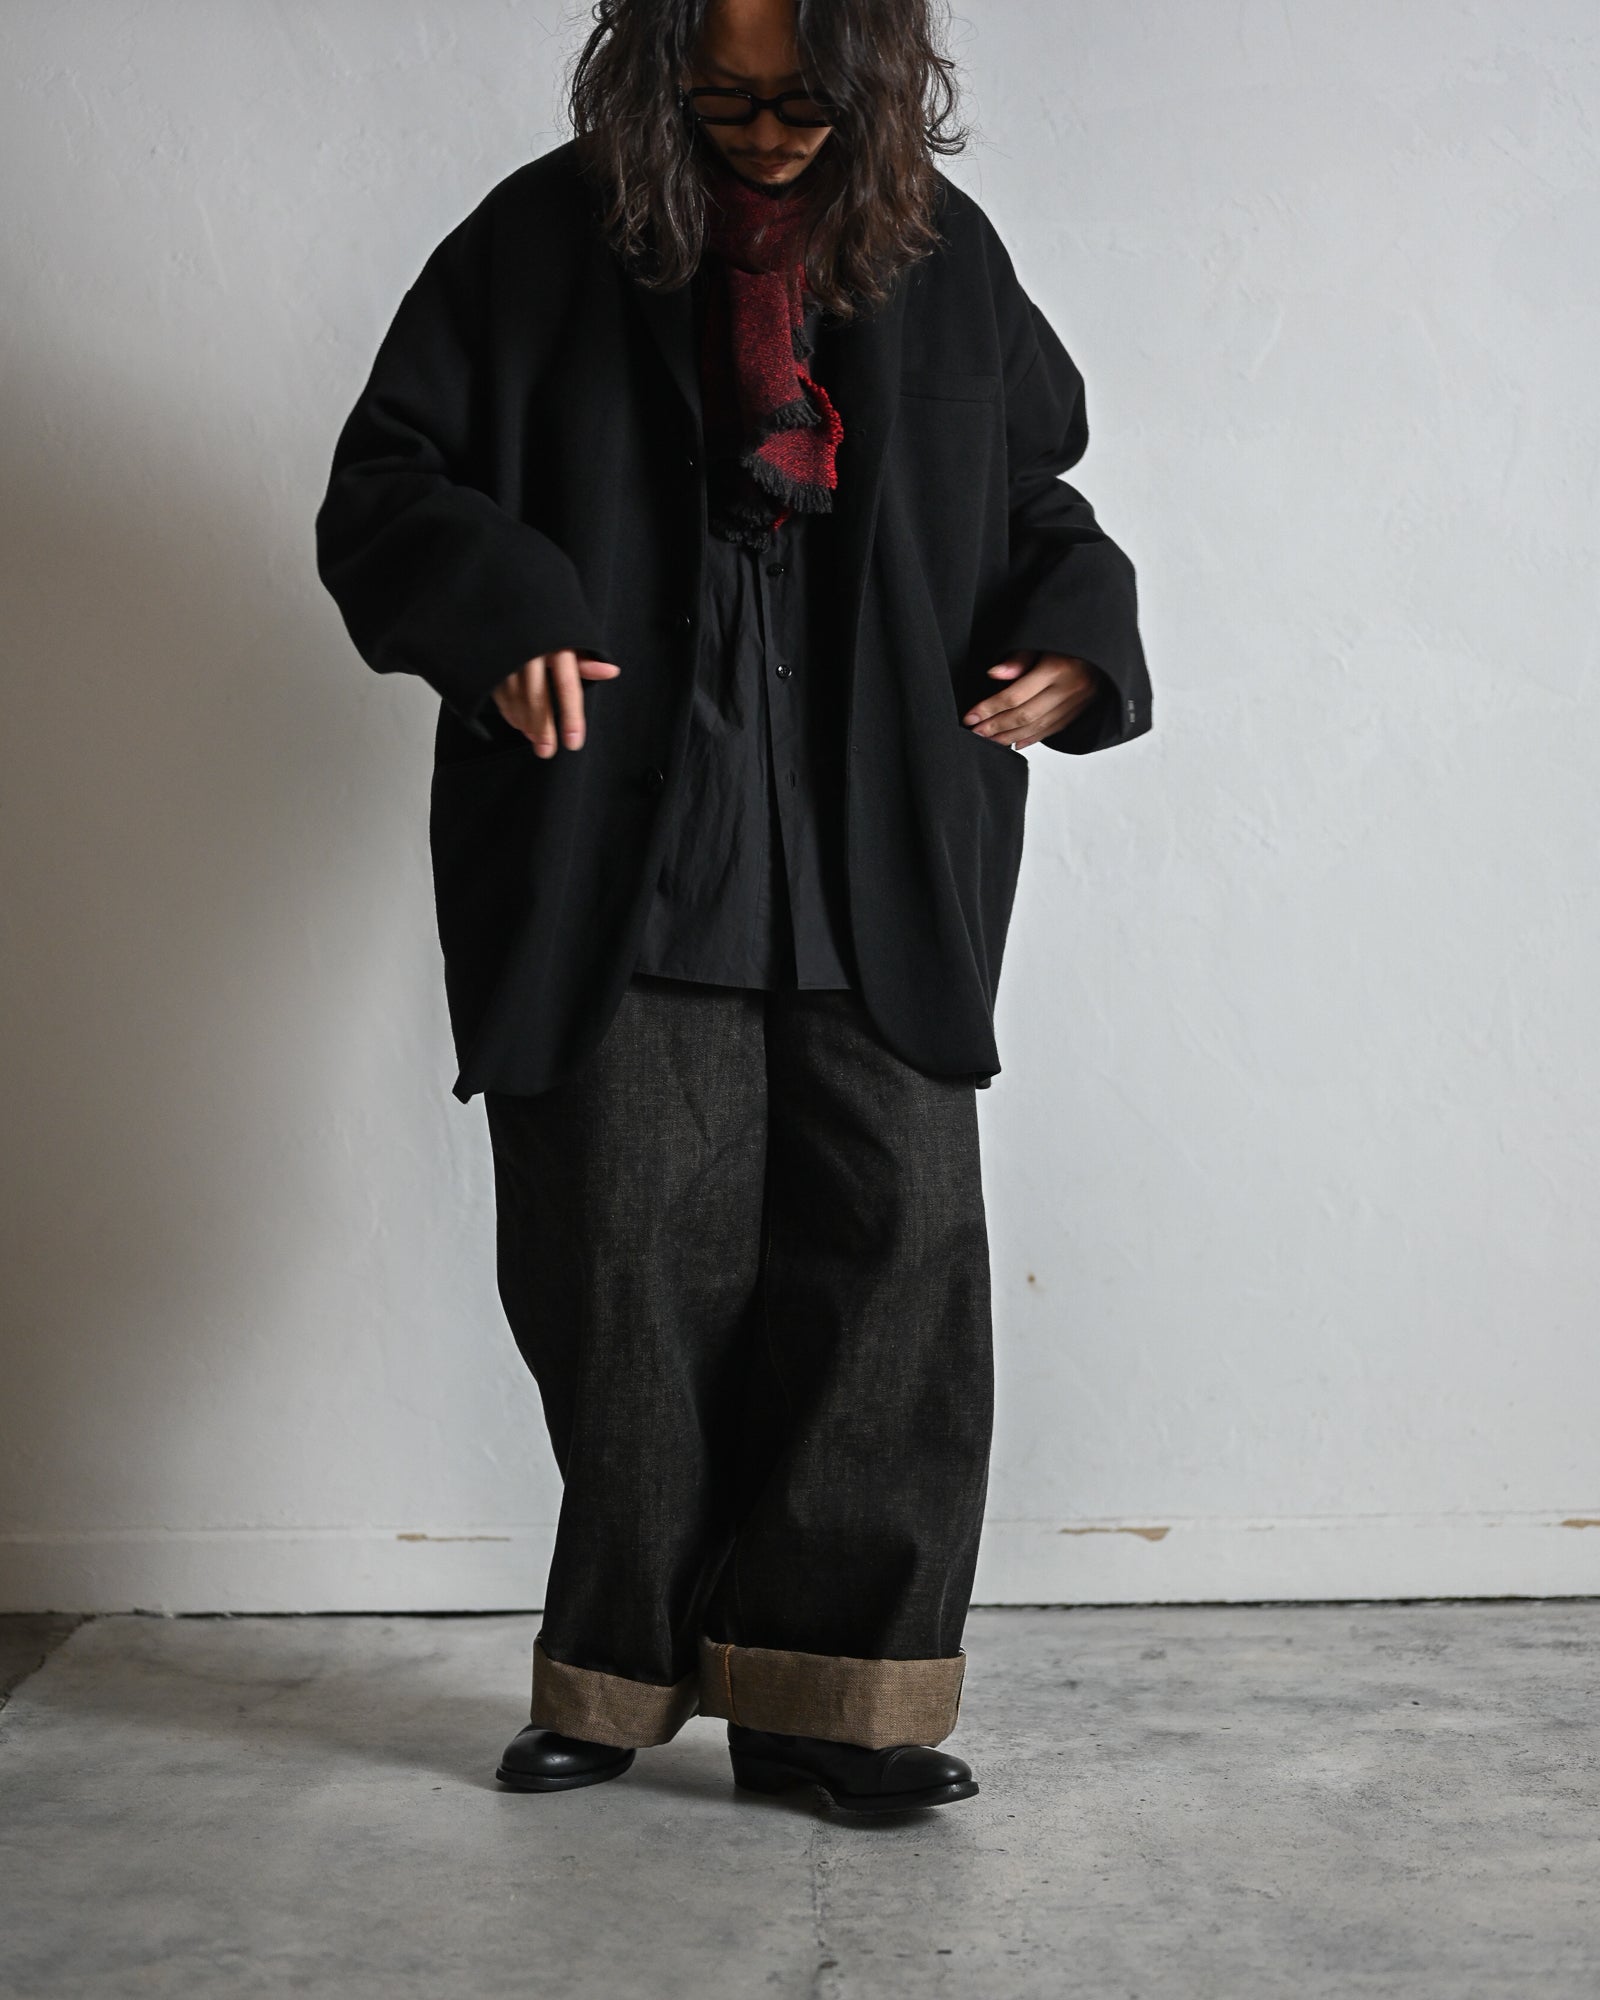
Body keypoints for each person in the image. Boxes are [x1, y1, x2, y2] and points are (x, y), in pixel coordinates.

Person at [315, 0, 1151, 1816]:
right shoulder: (540, 241)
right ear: (652, 79)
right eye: (724, 102)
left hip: (874, 854)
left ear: (881, 84)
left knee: (893, 1263)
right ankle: (615, 1678)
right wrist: (502, 609)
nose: (768, 136)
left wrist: (1081, 641)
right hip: (627, 845)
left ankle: (835, 1709)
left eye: (806, 105)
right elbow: (385, 486)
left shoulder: (941, 252)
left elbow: (1036, 495)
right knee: (626, 1265)